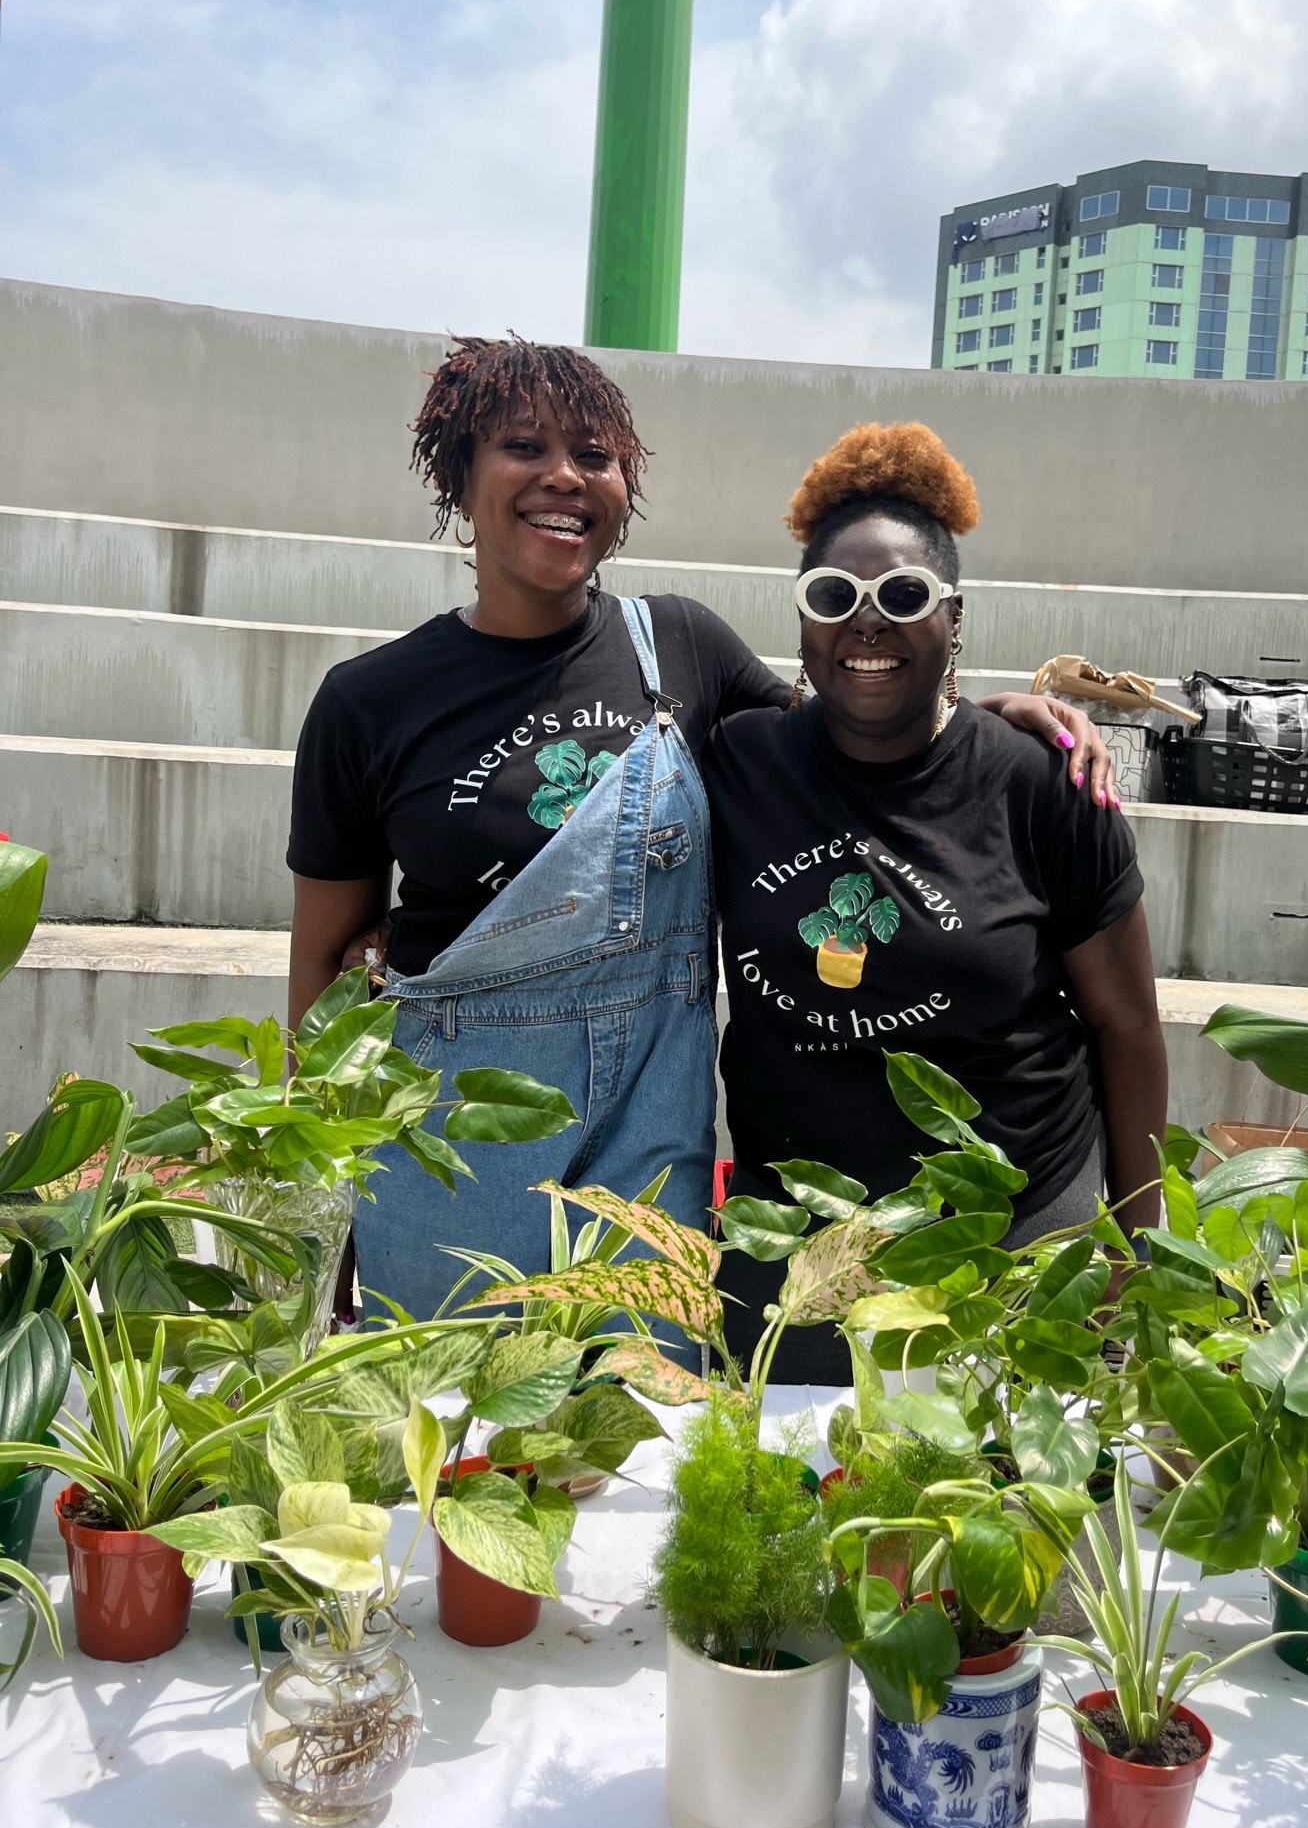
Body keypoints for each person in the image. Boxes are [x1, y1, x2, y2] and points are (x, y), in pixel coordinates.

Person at [286, 339, 1120, 1321]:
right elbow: (321, 977)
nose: (564, 476)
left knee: (641, 1443)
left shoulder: (681, 646)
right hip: (452, 1137)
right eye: (523, 446)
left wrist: (980, 714)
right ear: (459, 475)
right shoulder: (368, 703)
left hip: (652, 1127)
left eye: (594, 456)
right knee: (447, 1446)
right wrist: (325, 1203)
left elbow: (840, 751)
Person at [705, 422, 1167, 1383]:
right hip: (795, 1248)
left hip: (1013, 1242)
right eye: (835, 597)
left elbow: (1126, 1025)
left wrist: (1135, 1247)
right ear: (801, 621)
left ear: (954, 617)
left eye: (904, 596)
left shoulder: (1044, 786)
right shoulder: (741, 764)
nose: (866, 622)